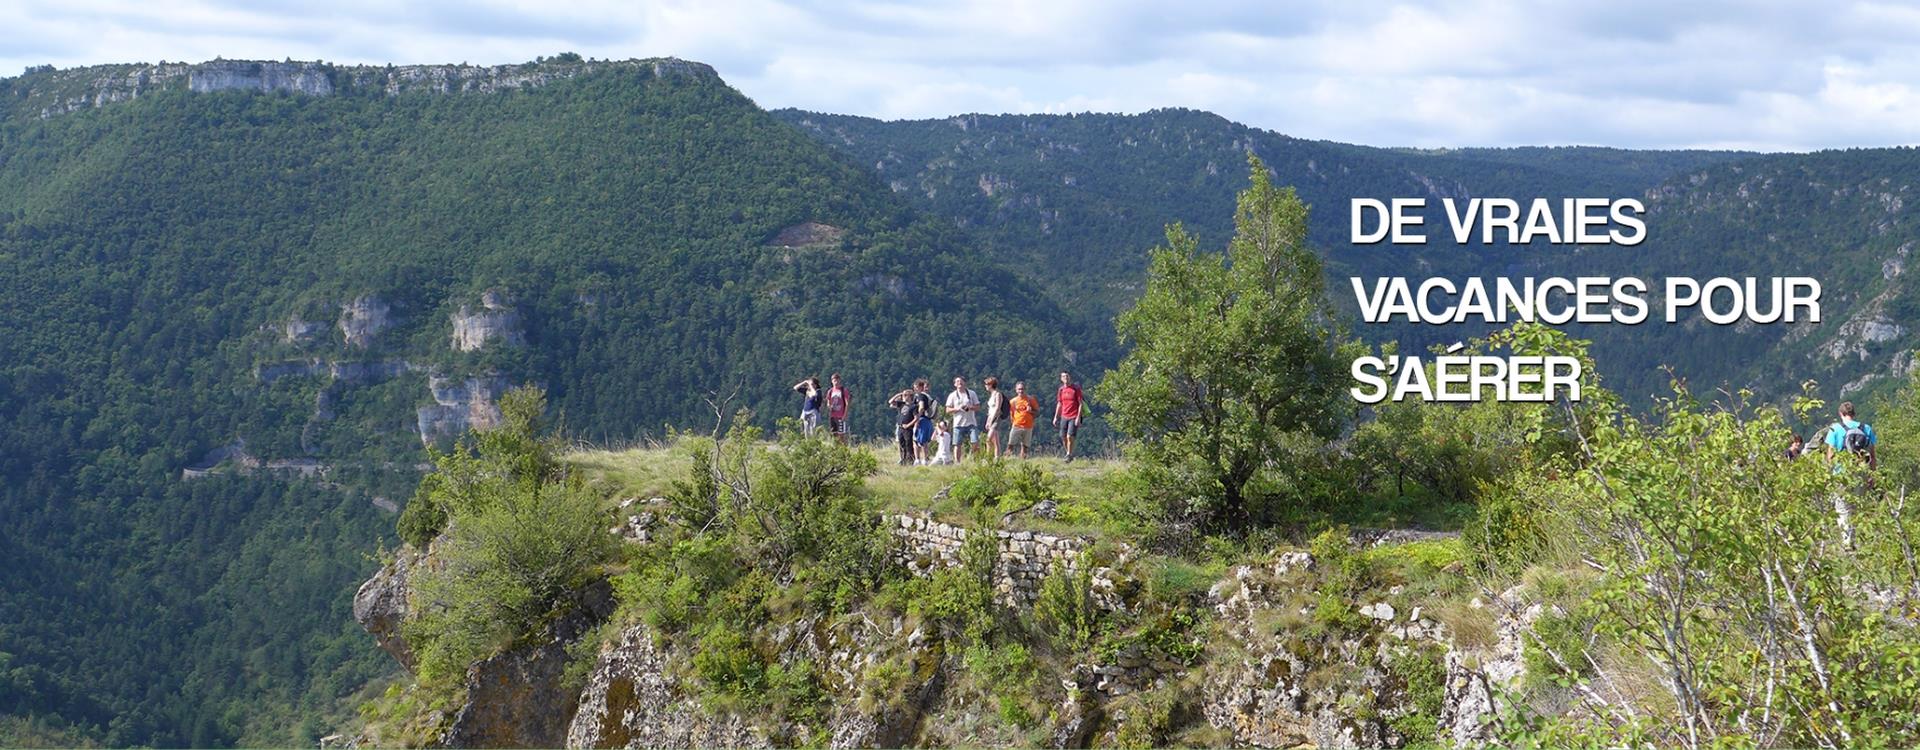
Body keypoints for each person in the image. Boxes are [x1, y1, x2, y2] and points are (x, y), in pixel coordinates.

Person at [1824, 401, 1878, 468]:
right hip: (1861, 470)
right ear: (1854, 414)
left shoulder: (1835, 428)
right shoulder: (1866, 428)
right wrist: (1873, 472)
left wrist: (1829, 469)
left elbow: (1830, 455)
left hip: (1841, 471)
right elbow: (1872, 456)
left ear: (1840, 413)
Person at [945, 376, 981, 463]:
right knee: (957, 444)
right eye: (957, 381)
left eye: (961, 381)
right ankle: (957, 462)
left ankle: (975, 460)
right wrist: (958, 409)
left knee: (975, 442)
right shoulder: (952, 395)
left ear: (965, 383)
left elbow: (978, 407)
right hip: (958, 423)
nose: (959, 383)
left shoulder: (972, 393)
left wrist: (970, 407)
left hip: (971, 422)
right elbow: (947, 410)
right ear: (954, 384)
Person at [1054, 370, 1086, 462]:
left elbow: (1080, 403)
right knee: (1063, 437)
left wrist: (1078, 417)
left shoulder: (1076, 389)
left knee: (1069, 436)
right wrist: (1056, 417)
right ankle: (1069, 453)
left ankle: (1068, 454)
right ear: (1061, 379)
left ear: (1070, 377)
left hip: (1073, 415)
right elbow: (1059, 403)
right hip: (1064, 416)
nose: (1066, 378)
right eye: (1064, 377)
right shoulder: (1061, 390)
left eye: (1067, 376)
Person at [1007, 381, 1039, 459]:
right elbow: (1011, 414)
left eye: (1022, 389)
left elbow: (1037, 413)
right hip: (1017, 425)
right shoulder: (1013, 401)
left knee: (1025, 446)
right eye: (1019, 389)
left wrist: (1031, 411)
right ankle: (1006, 459)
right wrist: (1012, 422)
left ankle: (1023, 461)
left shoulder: (1031, 400)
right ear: (1016, 390)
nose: (1021, 391)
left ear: (1025, 389)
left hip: (1028, 426)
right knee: (1011, 444)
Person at [887, 388, 917, 466]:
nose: (904, 396)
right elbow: (890, 402)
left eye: (905, 395)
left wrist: (908, 425)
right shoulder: (901, 404)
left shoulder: (913, 406)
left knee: (908, 444)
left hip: (908, 428)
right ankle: (903, 459)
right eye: (904, 395)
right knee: (901, 444)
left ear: (910, 396)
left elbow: (916, 418)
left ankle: (910, 460)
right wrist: (899, 394)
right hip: (900, 427)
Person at [982, 377, 1007, 459]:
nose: (985, 386)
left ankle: (988, 457)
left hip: (996, 418)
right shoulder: (991, 395)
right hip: (991, 417)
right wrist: (988, 421)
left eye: (986, 384)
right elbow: (990, 410)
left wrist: (991, 420)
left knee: (988, 439)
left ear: (991, 385)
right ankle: (997, 457)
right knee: (995, 440)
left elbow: (997, 408)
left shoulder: (998, 394)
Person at [912, 379, 937, 465]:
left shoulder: (921, 396)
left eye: (916, 387)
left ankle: (920, 459)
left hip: (922, 420)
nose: (915, 389)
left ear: (921, 387)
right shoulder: (926, 396)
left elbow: (921, 407)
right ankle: (923, 459)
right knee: (922, 440)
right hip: (927, 420)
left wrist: (917, 418)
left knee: (919, 440)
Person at [825, 373, 852, 445]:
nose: (836, 382)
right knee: (834, 434)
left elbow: (847, 404)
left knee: (841, 434)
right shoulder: (830, 391)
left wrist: (844, 415)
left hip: (841, 416)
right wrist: (829, 406)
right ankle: (836, 448)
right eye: (834, 381)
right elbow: (828, 402)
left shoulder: (843, 391)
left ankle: (844, 448)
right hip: (833, 416)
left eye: (837, 380)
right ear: (832, 381)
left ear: (839, 380)